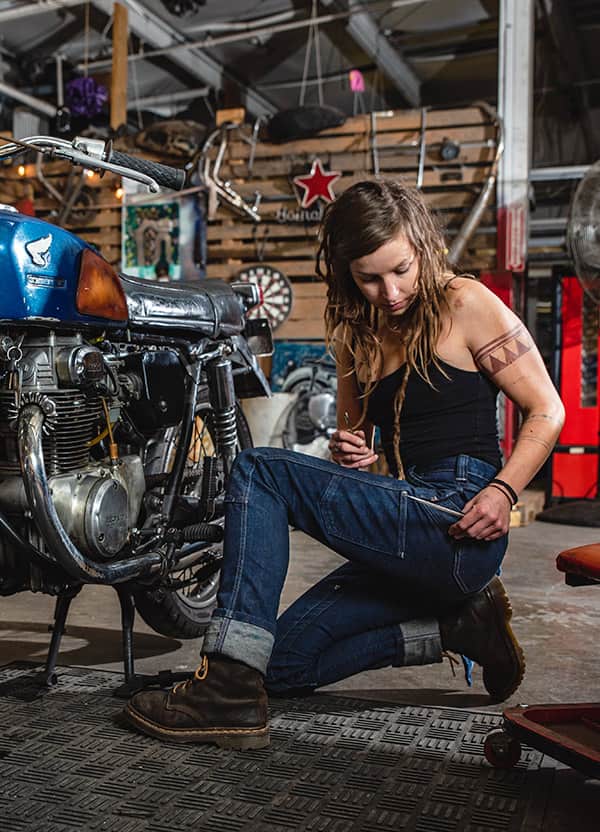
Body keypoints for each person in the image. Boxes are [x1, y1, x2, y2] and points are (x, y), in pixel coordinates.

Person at [123, 179, 565, 750]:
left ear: (423, 247)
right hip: (406, 521)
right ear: (345, 271)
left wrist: (504, 491)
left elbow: (547, 410)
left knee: (258, 470)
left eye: (401, 269)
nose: (391, 290)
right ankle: (456, 626)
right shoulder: (356, 335)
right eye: (370, 277)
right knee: (276, 667)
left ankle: (225, 686)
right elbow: (356, 440)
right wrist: (352, 449)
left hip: (459, 517)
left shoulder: (465, 302)